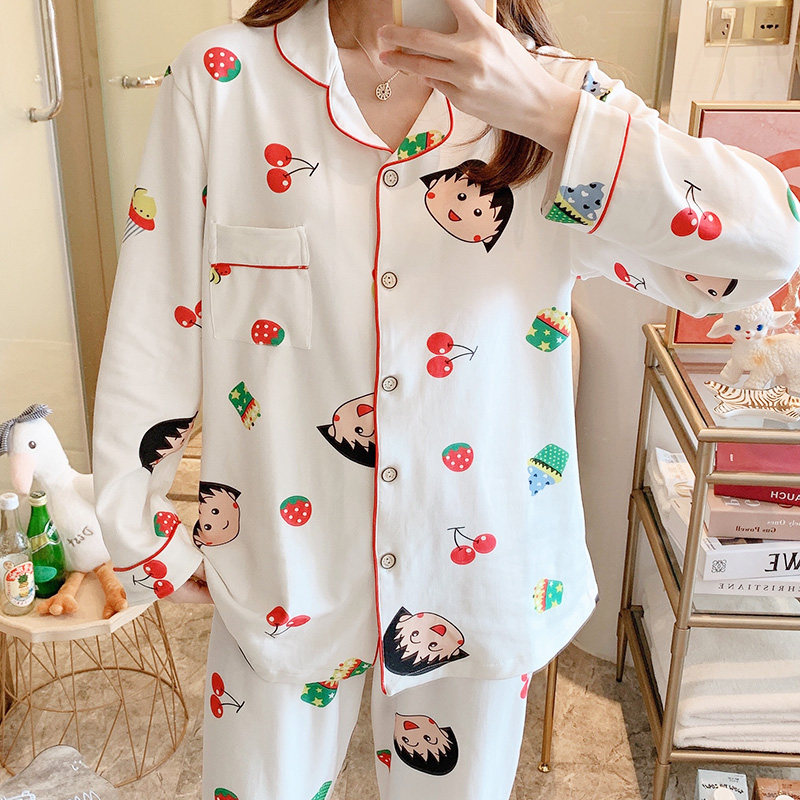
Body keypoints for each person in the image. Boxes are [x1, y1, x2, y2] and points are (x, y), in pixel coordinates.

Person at [91, 0, 800, 797]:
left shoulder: (553, 101)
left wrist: (552, 113)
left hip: (480, 579)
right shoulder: (226, 80)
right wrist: (138, 525)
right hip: (283, 570)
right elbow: (157, 309)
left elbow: (768, 246)